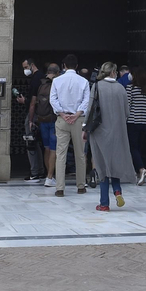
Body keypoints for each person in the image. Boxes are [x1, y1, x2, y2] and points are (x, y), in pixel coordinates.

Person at [87, 62, 131, 212]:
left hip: (99, 131)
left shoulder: (97, 86)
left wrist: (85, 129)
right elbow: (127, 112)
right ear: (113, 72)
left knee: (102, 166)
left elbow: (90, 108)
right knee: (115, 163)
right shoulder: (121, 88)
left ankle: (104, 203)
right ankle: (117, 190)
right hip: (118, 131)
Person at [49, 54, 90, 197]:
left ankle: (60, 188)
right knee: (80, 153)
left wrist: (62, 113)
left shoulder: (57, 81)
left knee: (61, 154)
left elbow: (52, 99)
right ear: (77, 66)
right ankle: (80, 186)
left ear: (64, 66)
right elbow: (86, 101)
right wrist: (77, 114)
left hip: (62, 119)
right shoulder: (84, 81)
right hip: (78, 120)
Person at [123, 66, 146, 185]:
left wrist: (125, 119)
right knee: (139, 148)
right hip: (144, 122)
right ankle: (139, 171)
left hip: (133, 121)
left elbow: (128, 105)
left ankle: (141, 169)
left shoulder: (130, 88)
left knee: (133, 148)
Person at [35, 63, 59, 186]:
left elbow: (35, 102)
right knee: (54, 149)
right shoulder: (58, 83)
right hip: (54, 120)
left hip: (42, 119)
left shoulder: (41, 83)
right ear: (57, 72)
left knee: (47, 148)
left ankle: (49, 176)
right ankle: (50, 177)